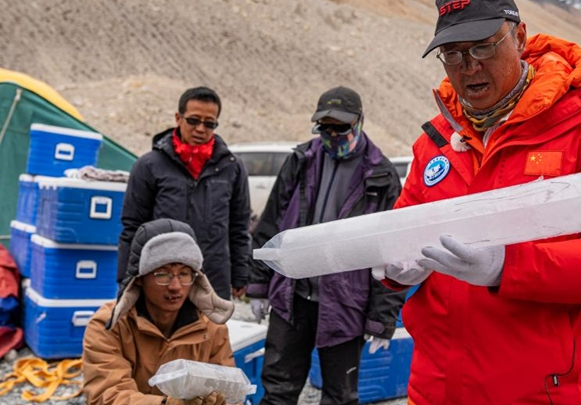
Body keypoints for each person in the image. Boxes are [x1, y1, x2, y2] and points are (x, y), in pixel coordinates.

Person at [374, 0, 581, 404]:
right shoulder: (435, 143)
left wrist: (510, 267)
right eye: (452, 54)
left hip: (544, 393)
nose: (468, 65)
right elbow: (406, 228)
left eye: (483, 46)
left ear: (520, 37)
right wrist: (392, 265)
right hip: (437, 389)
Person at [247, 86, 406, 405]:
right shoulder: (301, 160)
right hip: (293, 295)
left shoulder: (381, 174)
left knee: (339, 395)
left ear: (360, 122)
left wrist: (382, 318)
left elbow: (392, 251)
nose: (332, 134)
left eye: (341, 127)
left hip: (346, 301)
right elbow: (271, 222)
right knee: (278, 387)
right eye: (325, 127)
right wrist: (259, 284)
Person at [83, 218, 235, 405]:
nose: (175, 286)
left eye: (184, 273)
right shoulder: (108, 326)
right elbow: (106, 396)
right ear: (138, 278)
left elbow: (231, 391)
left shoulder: (211, 328)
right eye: (162, 274)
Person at [117, 87, 251, 300]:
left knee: (208, 333)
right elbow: (132, 226)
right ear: (178, 118)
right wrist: (127, 278)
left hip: (212, 278)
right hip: (162, 277)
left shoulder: (232, 168)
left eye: (209, 123)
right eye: (193, 120)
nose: (200, 129)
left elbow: (239, 228)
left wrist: (240, 275)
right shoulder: (149, 165)